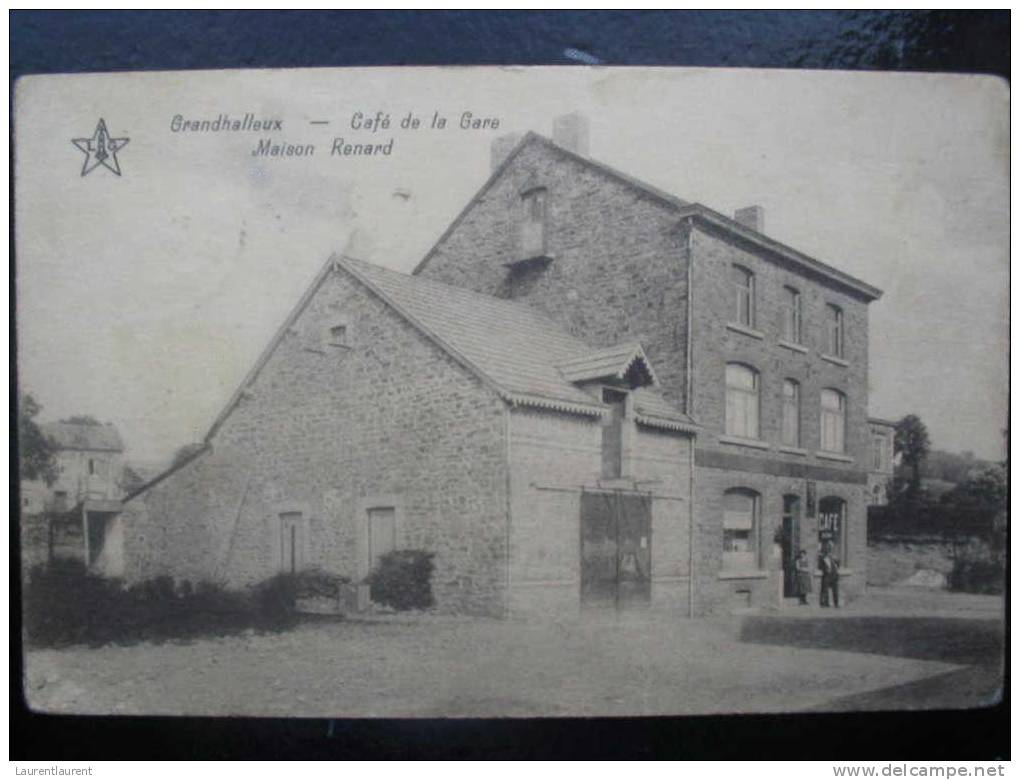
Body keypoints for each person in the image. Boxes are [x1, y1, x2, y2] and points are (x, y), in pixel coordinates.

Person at [819, 542, 840, 608]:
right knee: (825, 590)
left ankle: (836, 603)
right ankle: (825, 603)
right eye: (827, 551)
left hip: (834, 576)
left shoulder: (834, 558)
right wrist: (825, 570)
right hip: (826, 576)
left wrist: (836, 561)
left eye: (829, 551)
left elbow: (838, 564)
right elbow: (820, 566)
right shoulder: (823, 558)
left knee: (835, 590)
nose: (829, 553)